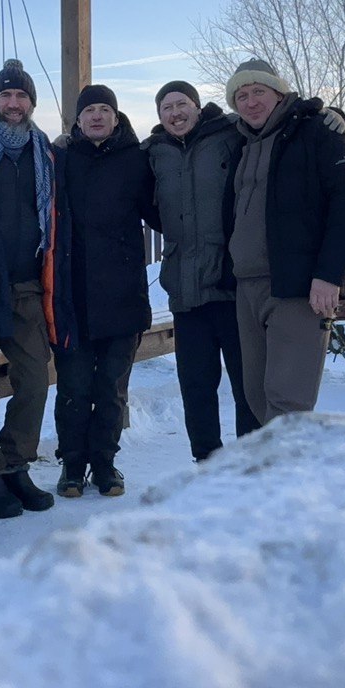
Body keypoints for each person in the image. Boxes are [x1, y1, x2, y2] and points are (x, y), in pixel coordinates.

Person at [225, 58, 345, 424]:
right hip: (248, 287)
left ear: (279, 93)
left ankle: (291, 464)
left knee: (288, 403)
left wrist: (330, 275)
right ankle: (276, 463)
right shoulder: (242, 142)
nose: (251, 102)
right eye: (241, 96)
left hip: (298, 287)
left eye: (259, 91)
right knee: (256, 397)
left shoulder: (318, 132)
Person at [0, 59, 66, 519]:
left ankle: (16, 463)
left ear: (32, 103)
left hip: (26, 282)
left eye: (21, 95)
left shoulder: (45, 152)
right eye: (6, 94)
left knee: (35, 379)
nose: (14, 102)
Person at [52, 85, 159, 498]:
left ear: (116, 117)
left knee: (112, 390)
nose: (96, 116)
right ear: (77, 120)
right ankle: (71, 467)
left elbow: (162, 211)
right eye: (89, 110)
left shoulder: (137, 159)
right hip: (72, 298)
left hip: (123, 297)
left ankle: (105, 465)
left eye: (104, 109)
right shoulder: (61, 160)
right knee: (74, 389)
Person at [144, 81, 256, 461]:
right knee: (196, 386)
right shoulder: (154, 152)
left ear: (197, 105)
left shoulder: (231, 134)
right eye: (167, 107)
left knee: (247, 384)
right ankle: (206, 462)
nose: (175, 113)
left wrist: (328, 117)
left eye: (182, 104)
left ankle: (252, 463)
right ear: (160, 115)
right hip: (185, 290)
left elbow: (276, 127)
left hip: (231, 285)